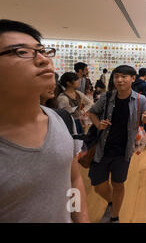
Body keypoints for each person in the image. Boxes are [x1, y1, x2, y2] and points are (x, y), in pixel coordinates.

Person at [0, 19, 89, 222]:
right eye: (21, 52)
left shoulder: (61, 121)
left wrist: (80, 219)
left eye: (42, 51)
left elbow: (72, 180)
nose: (43, 60)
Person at [88, 65, 146, 223]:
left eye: (124, 76)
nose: (119, 80)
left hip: (123, 151)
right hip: (102, 148)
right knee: (98, 185)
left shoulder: (140, 100)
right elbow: (92, 112)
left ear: (133, 78)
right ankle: (113, 202)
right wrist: (98, 124)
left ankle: (114, 217)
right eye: (116, 76)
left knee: (118, 184)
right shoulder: (107, 97)